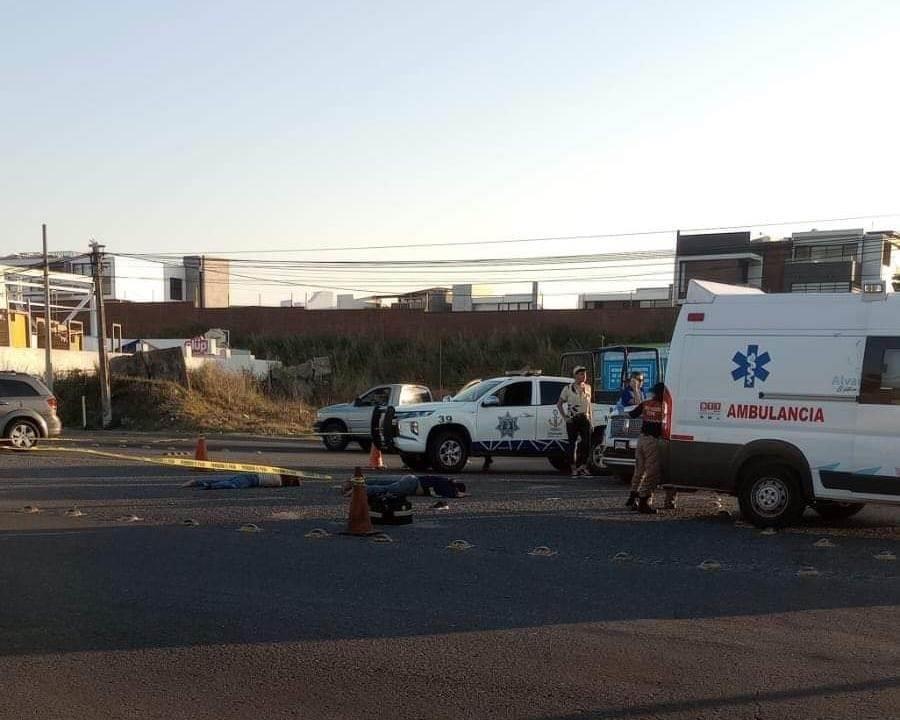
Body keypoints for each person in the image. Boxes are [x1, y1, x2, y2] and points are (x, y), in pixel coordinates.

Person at [624, 382, 676, 513]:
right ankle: (643, 500)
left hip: (641, 439)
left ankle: (632, 496)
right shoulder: (665, 406)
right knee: (652, 472)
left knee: (639, 470)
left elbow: (631, 415)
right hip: (652, 441)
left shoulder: (646, 403)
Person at [557, 366, 593, 477]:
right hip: (573, 418)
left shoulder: (588, 388)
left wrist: (591, 420)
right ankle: (573, 468)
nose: (583, 376)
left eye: (584, 374)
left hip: (584, 417)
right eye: (581, 374)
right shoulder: (568, 388)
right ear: (575, 375)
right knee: (572, 444)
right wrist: (565, 417)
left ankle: (583, 466)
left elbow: (589, 405)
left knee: (586, 443)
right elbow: (559, 404)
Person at [341, 474, 467, 499]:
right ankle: (358, 490)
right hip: (412, 485)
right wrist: (461, 494)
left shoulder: (443, 479)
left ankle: (354, 481)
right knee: (386, 489)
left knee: (381, 481)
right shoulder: (447, 487)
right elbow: (451, 494)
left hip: (411, 477)